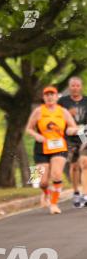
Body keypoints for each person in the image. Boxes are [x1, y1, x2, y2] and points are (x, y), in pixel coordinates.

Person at [26, 86, 79, 214]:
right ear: (44, 97)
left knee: (56, 174)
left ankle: (54, 204)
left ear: (56, 97)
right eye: (47, 95)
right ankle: (45, 192)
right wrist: (36, 135)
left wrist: (74, 131)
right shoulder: (38, 111)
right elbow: (29, 129)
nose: (49, 97)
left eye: (52, 94)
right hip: (41, 147)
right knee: (42, 182)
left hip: (59, 146)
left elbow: (71, 127)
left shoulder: (63, 112)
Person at [58, 77, 87, 207]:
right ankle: (76, 192)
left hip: (84, 134)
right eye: (73, 86)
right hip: (69, 136)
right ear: (69, 87)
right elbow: (55, 118)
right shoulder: (62, 101)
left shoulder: (86, 101)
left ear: (81, 87)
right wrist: (67, 114)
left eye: (77, 85)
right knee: (74, 166)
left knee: (85, 164)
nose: (75, 88)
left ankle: (85, 194)